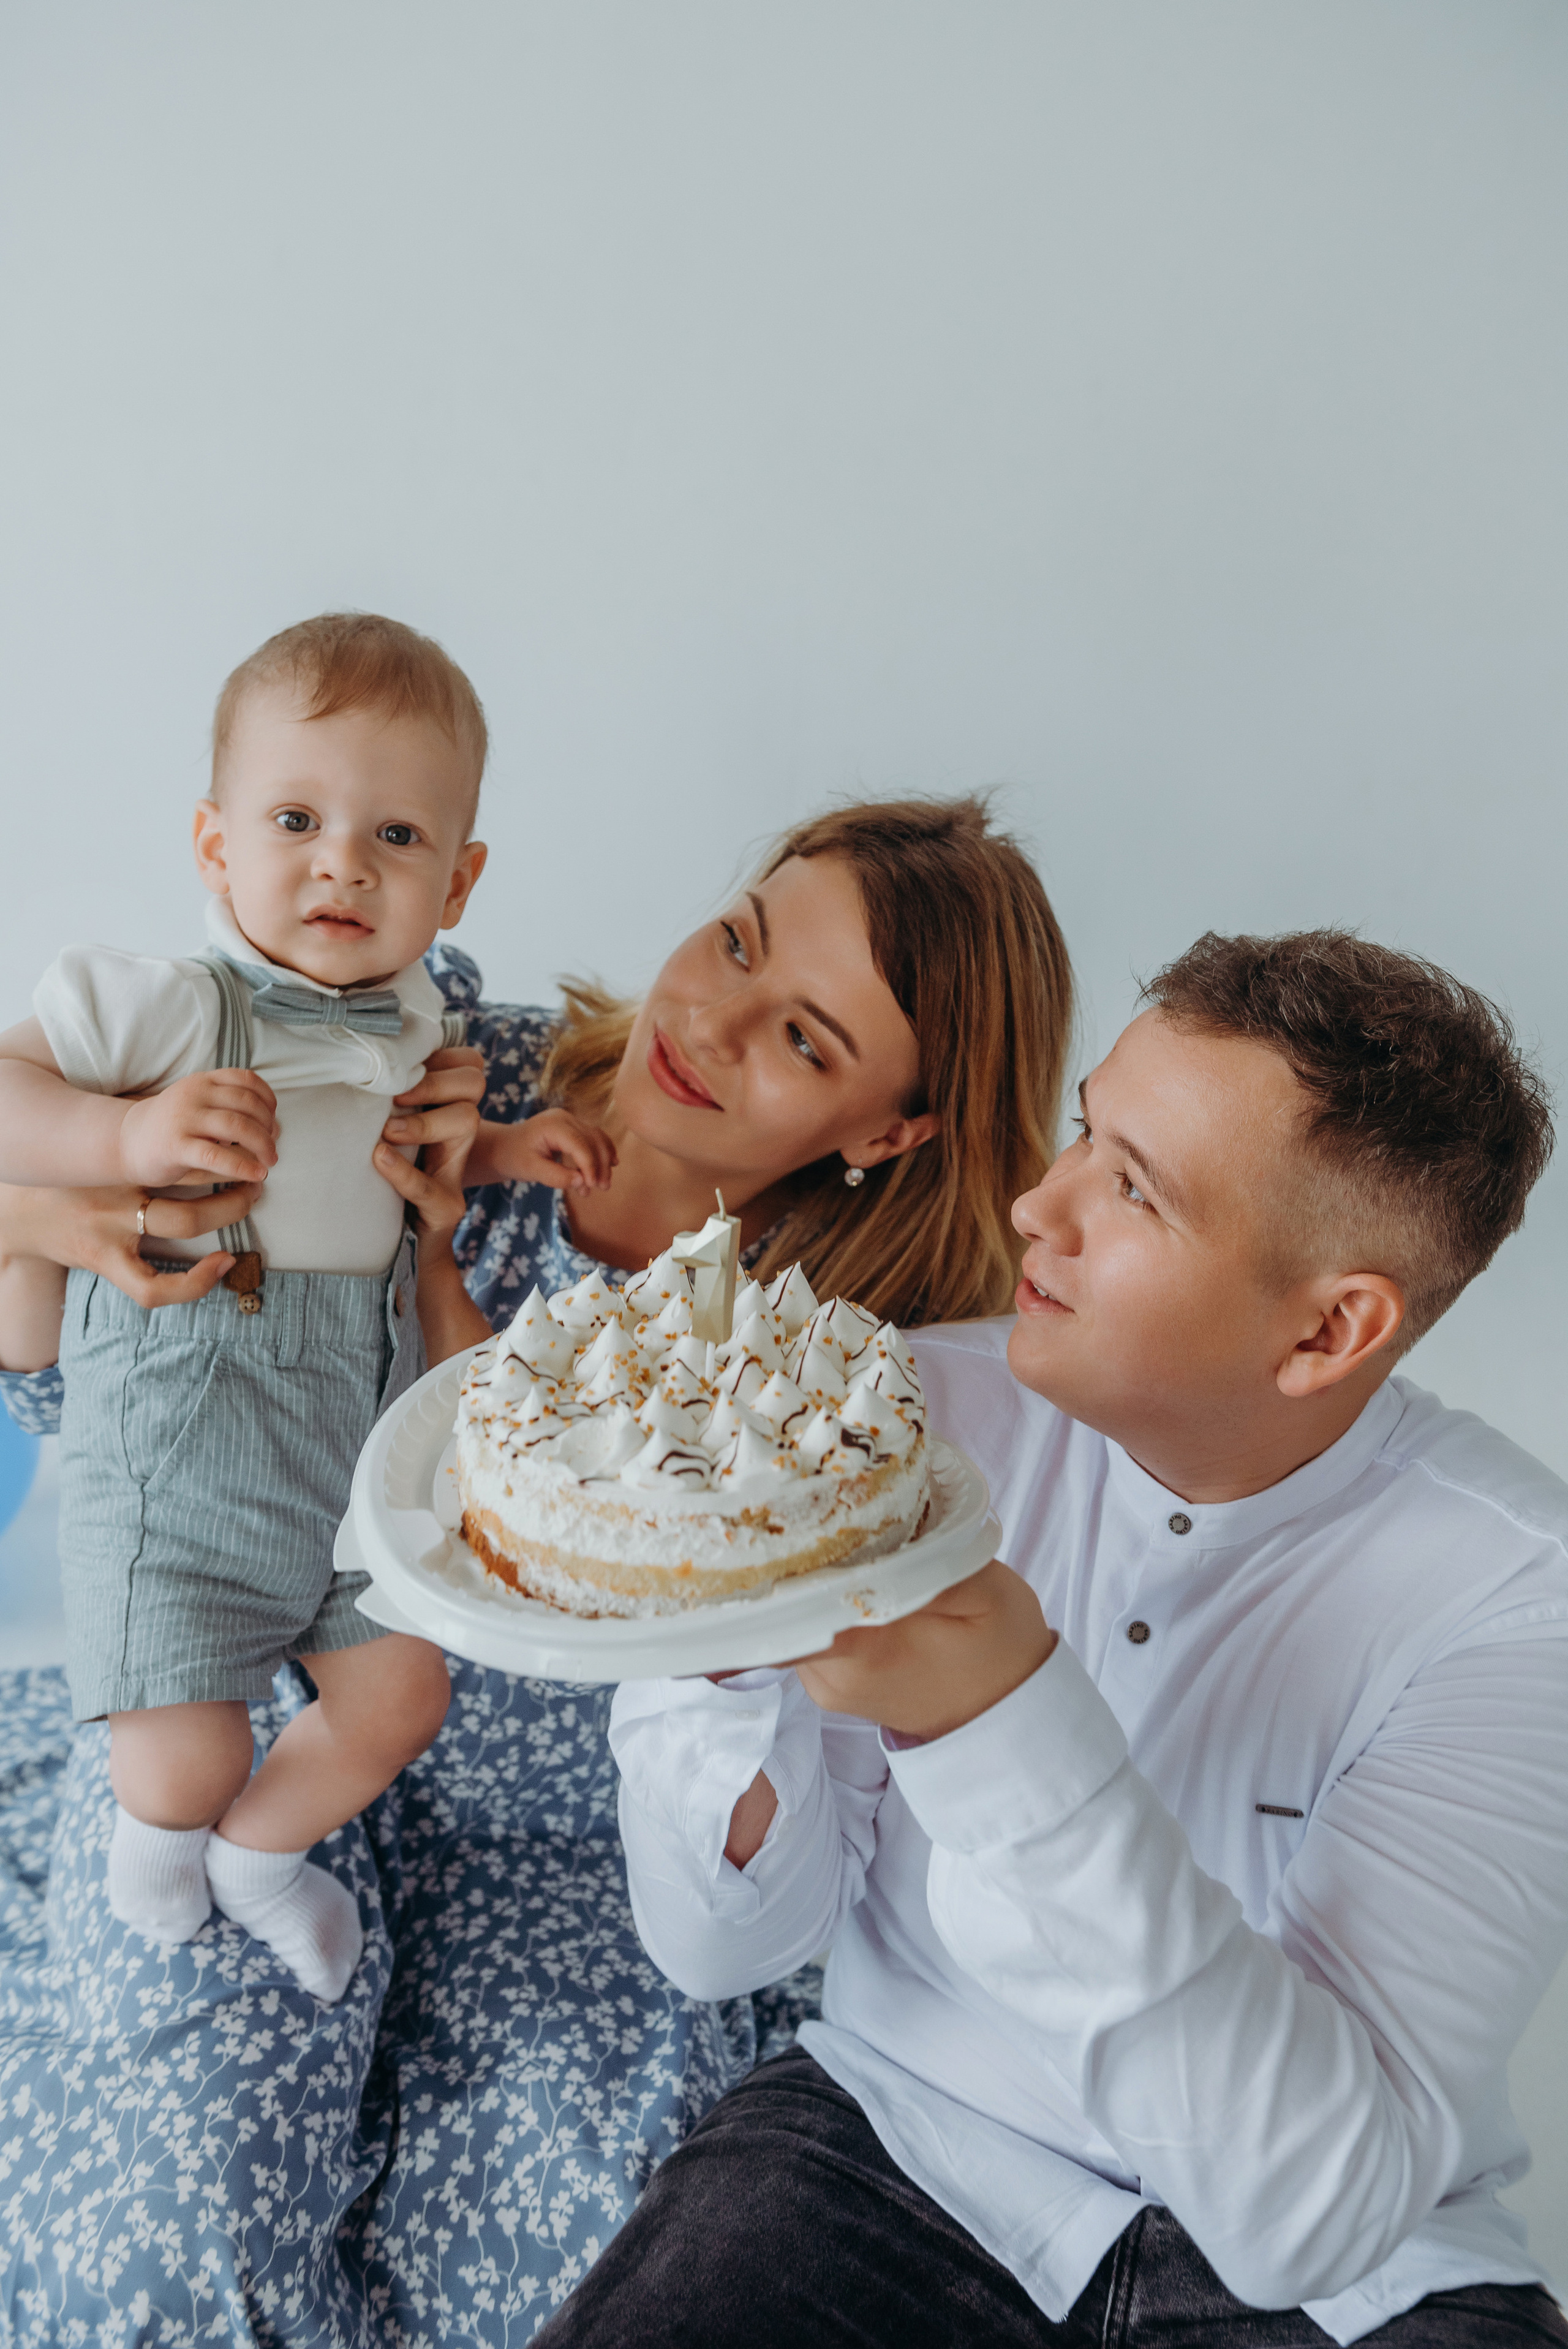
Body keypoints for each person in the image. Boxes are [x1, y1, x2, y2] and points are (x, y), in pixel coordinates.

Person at [0, 792, 1076, 2336]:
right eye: (737, 939)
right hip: (249, 1741)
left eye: (806, 1041)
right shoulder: (418, 1068)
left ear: (890, 1131)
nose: (707, 1013)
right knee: (165, 2255)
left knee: (560, 2263)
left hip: (573, 1873)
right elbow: (80, 1381)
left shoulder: (848, 1387)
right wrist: (43, 1210)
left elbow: (808, 1798)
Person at [546, 930, 1568, 2348]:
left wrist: (995, 1722)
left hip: (1360, 2294)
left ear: (1328, 1332)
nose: (1039, 1205)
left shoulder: (1518, 1594)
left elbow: (1306, 2216)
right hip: (890, 2147)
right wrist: (715, 1623)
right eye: (1087, 1133)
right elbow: (724, 1949)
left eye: (1132, 1190)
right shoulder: (893, 1418)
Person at [0, 610, 603, 1999]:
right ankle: (162, 1863)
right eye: (295, 818)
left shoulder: (417, 1030)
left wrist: (509, 1150)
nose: (343, 859)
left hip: (347, 1453)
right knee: (183, 1756)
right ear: (216, 847)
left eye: (397, 837)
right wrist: (125, 1141)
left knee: (402, 1702)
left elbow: (391, 1166)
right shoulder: (151, 1006)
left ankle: (263, 1857)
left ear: (457, 884)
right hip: (175, 1454)